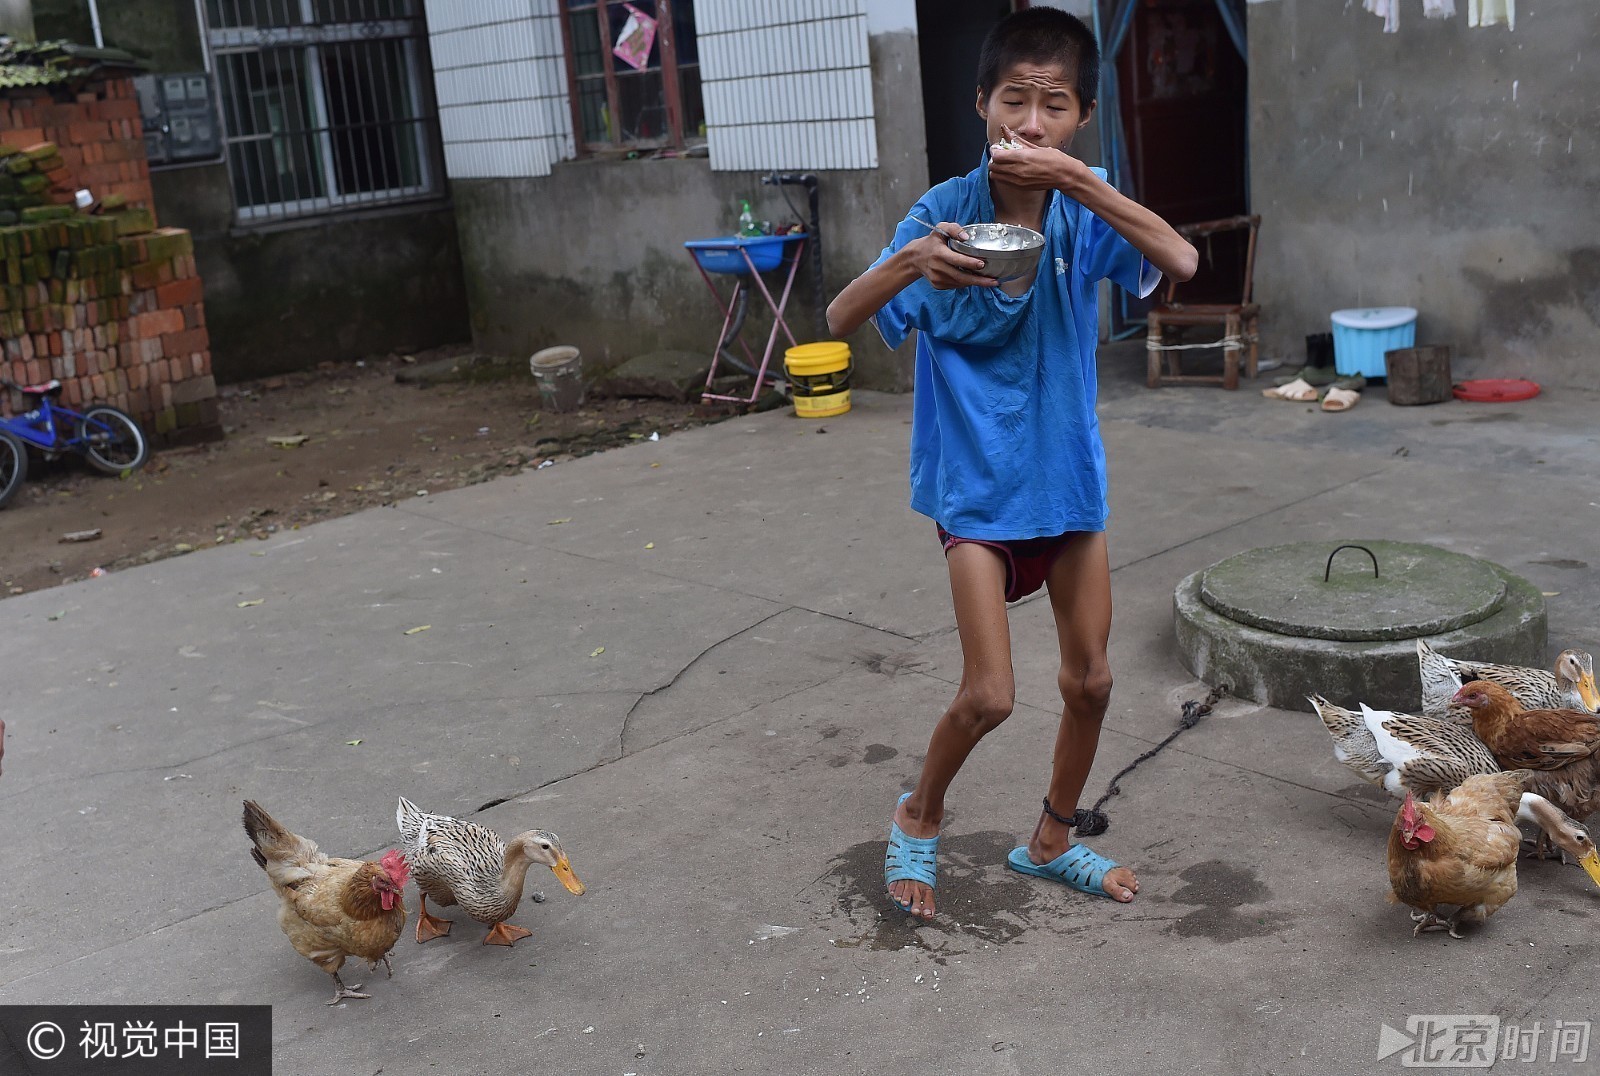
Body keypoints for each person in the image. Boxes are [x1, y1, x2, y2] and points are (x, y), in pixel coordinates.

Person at [826, 8, 1197, 919]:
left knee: (1093, 680)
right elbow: (839, 320)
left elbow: (1180, 258)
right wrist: (912, 262)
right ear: (981, 103)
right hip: (977, 492)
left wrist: (1080, 181)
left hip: (1069, 485)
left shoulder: (1082, 204)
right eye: (1015, 101)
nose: (1030, 124)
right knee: (990, 694)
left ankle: (1052, 840)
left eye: (1055, 106)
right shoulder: (942, 213)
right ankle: (918, 814)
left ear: (1080, 117)